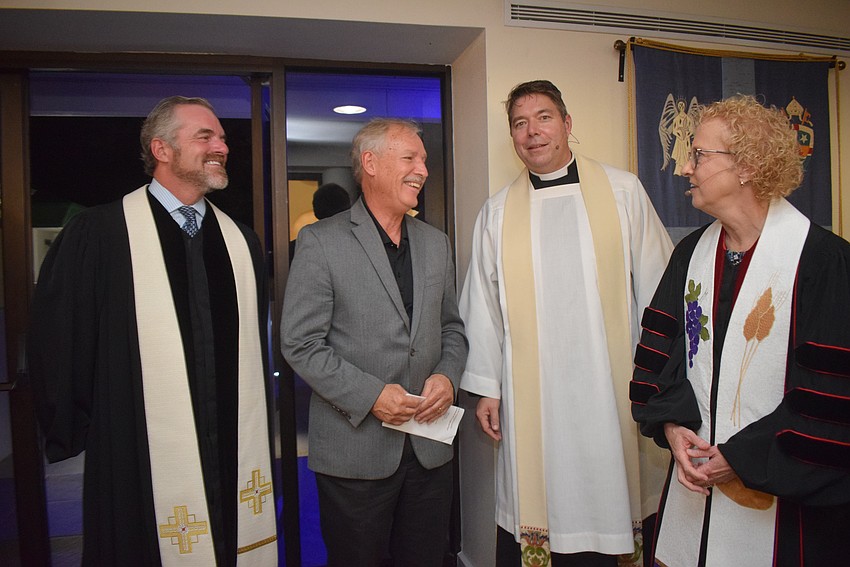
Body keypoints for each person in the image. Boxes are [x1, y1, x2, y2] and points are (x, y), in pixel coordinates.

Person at [29, 96, 277, 566]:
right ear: (161, 149)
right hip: (136, 444)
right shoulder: (101, 234)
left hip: (231, 440)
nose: (221, 146)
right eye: (205, 136)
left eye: (222, 137)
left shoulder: (239, 240)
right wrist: (76, 422)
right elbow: (61, 338)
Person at [630, 95, 850, 566]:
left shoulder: (824, 262)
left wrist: (744, 457)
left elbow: (831, 400)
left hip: (786, 516)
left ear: (747, 166)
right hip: (694, 484)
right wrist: (671, 425)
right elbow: (658, 359)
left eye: (699, 155)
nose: (684, 167)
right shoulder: (690, 254)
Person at [460, 80, 673, 566]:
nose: (532, 132)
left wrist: (656, 376)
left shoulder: (622, 191)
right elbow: (482, 308)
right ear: (512, 136)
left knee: (615, 488)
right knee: (541, 497)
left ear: (567, 124)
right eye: (519, 123)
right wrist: (488, 387)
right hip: (535, 397)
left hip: (613, 387)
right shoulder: (496, 212)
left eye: (543, 117)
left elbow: (659, 289)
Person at [281, 118, 468, 566]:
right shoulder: (321, 242)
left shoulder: (435, 243)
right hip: (354, 456)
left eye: (423, 160)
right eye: (410, 158)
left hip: (429, 451)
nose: (422, 169)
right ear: (370, 163)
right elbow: (300, 343)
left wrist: (447, 374)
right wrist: (372, 396)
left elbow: (452, 329)